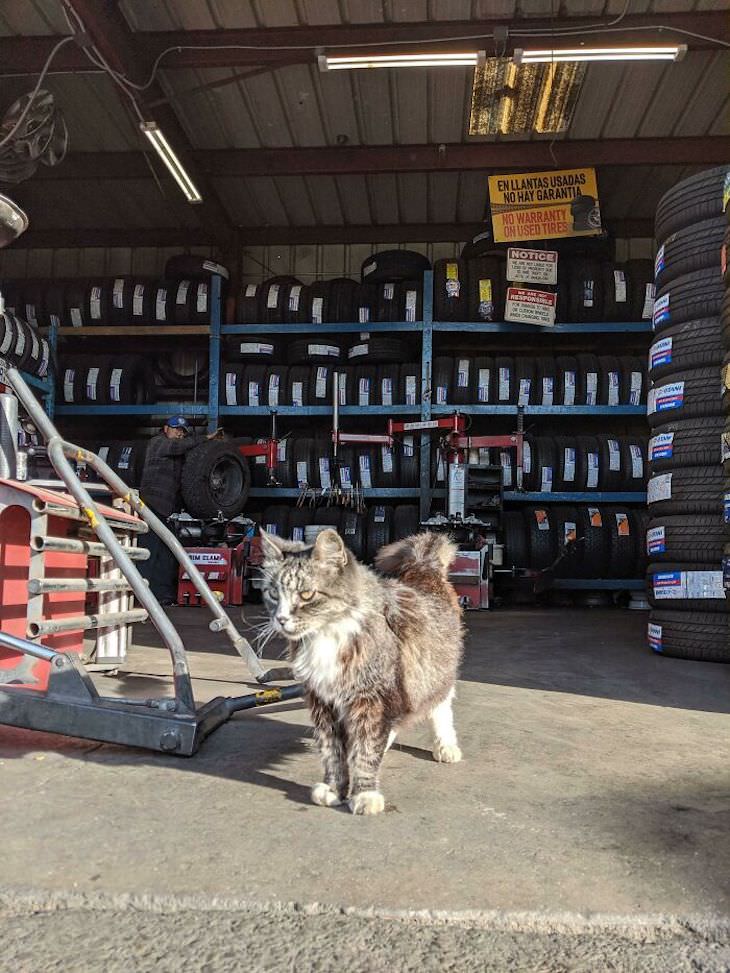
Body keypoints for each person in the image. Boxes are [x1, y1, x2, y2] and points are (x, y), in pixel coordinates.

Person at [137, 415, 218, 605]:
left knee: (167, 553)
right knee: (149, 552)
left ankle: (162, 595)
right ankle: (142, 595)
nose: (179, 433)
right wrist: (206, 438)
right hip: (150, 507)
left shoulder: (180, 455)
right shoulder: (158, 443)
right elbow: (176, 447)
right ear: (166, 428)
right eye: (175, 429)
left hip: (167, 511)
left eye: (182, 431)